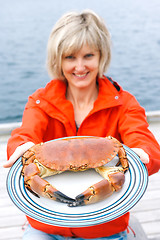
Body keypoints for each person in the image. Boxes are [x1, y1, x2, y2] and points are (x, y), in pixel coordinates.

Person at [4, 9, 160, 240]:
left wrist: (142, 154)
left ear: (101, 56)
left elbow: (143, 139)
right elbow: (25, 134)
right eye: (70, 57)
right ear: (57, 59)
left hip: (106, 226)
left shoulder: (123, 103)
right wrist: (20, 146)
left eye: (88, 56)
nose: (79, 67)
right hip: (46, 225)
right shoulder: (41, 101)